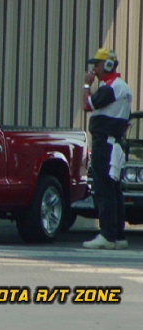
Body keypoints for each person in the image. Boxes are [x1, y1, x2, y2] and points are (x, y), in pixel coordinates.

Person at [82, 48, 132, 249]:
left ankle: (108, 235)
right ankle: (118, 235)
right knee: (114, 190)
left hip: (107, 144)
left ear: (108, 65)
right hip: (115, 143)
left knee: (105, 189)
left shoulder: (113, 87)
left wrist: (87, 84)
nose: (94, 68)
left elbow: (87, 104)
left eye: (98, 64)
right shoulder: (120, 87)